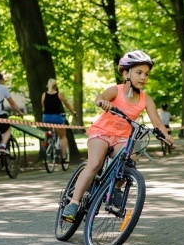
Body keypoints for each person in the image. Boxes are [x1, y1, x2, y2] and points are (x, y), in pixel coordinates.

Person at [62, 50, 173, 223]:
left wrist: (165, 135)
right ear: (125, 73)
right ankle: (73, 203)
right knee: (95, 163)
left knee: (131, 160)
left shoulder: (146, 99)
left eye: (146, 74)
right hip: (102, 133)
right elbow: (101, 97)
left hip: (122, 138)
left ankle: (113, 189)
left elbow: (157, 123)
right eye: (139, 72)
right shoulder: (117, 90)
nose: (143, 77)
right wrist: (102, 102)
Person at [42, 78, 76, 162]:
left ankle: (49, 139)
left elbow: (43, 108)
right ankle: (64, 156)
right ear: (56, 86)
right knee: (63, 137)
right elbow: (67, 104)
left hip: (46, 118)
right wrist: (73, 112)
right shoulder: (59, 95)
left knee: (50, 130)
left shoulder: (44, 95)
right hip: (57, 118)